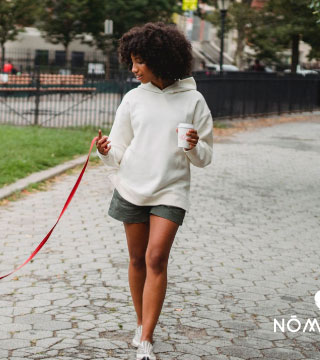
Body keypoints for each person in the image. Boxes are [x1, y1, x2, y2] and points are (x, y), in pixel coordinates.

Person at [95, 22, 213, 360]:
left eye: (139, 62)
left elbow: (205, 157)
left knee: (155, 258)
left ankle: (146, 340)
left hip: (171, 191)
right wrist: (105, 150)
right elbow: (117, 151)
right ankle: (141, 322)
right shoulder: (133, 99)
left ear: (160, 60)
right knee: (136, 260)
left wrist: (193, 147)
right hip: (131, 188)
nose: (133, 69)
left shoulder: (193, 100)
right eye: (130, 61)